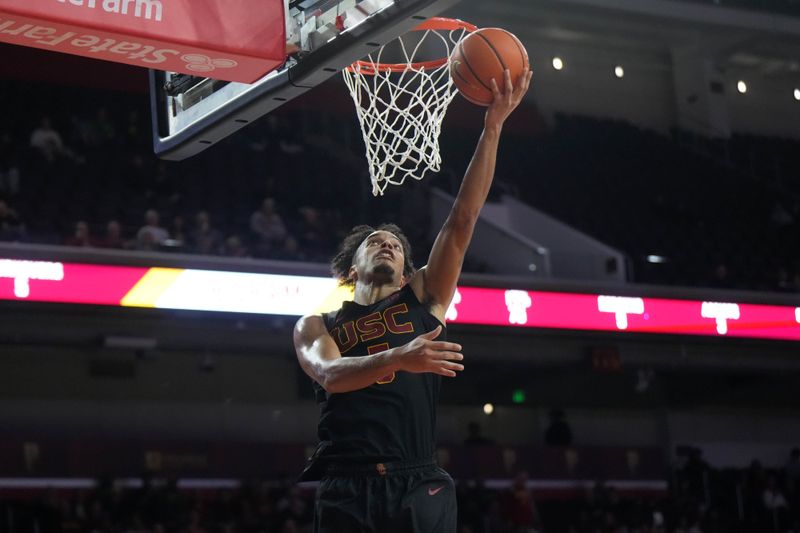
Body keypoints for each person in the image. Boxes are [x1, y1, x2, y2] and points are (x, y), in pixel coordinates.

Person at [293, 67, 532, 533]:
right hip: (346, 485)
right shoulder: (317, 325)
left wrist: (493, 126)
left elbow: (462, 220)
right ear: (350, 269)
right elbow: (329, 375)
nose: (389, 245)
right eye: (376, 242)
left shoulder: (423, 299)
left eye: (398, 246)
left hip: (417, 482)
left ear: (406, 273)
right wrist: (401, 356)